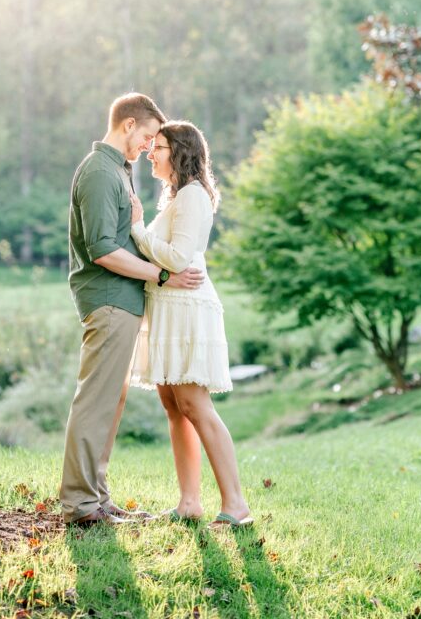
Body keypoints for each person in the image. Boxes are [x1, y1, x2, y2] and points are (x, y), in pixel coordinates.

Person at [60, 94, 206, 527]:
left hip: (122, 301)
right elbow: (103, 249)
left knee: (111, 399)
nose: (147, 146)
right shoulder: (101, 172)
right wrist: (160, 277)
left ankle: (97, 498)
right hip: (107, 299)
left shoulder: (118, 172)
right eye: (146, 136)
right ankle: (80, 504)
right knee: (95, 400)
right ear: (127, 125)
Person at [129, 120, 253, 526]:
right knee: (173, 406)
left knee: (196, 405)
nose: (151, 152)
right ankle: (189, 502)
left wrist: (137, 229)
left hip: (187, 309)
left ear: (180, 152)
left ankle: (236, 504)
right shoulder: (178, 198)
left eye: (159, 147)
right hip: (168, 306)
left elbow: (179, 258)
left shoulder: (194, 197)